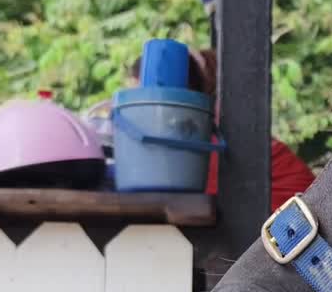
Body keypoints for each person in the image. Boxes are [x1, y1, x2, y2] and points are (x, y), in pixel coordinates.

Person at [127, 47, 315, 211]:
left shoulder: (199, 130)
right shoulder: (210, 122)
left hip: (293, 228)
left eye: (140, 98)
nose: (134, 108)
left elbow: (178, 193)